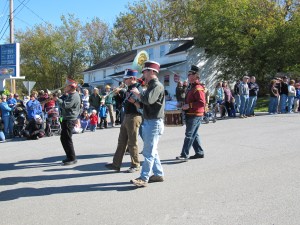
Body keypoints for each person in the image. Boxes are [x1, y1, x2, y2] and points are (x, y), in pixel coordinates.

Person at [130, 60, 165, 187]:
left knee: (148, 152)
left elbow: (148, 100)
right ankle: (158, 174)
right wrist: (136, 102)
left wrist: (139, 94)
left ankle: (143, 178)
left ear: (151, 71)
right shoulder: (151, 85)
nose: (143, 74)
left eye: (145, 71)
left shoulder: (157, 86)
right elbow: (147, 104)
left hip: (154, 122)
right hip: (151, 120)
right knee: (152, 151)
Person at [105, 69, 143, 173]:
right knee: (121, 141)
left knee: (132, 142)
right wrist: (117, 94)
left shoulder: (138, 88)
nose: (124, 80)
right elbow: (122, 102)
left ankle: (135, 164)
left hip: (135, 115)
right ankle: (116, 164)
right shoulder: (128, 88)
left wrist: (135, 100)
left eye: (126, 78)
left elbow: (141, 103)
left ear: (133, 78)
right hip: (127, 115)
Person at [176, 65, 206, 161]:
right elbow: (189, 100)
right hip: (191, 113)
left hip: (195, 114)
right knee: (194, 134)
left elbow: (202, 103)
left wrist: (189, 106)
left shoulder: (198, 87)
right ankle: (199, 152)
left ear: (196, 76)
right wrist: (183, 104)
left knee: (189, 134)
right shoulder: (191, 87)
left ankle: (184, 155)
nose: (188, 76)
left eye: (190, 75)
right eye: (188, 75)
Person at [54, 78, 81, 166]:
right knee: (63, 138)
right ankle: (69, 156)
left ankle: (72, 158)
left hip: (70, 119)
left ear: (71, 87)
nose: (65, 87)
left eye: (66, 86)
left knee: (67, 139)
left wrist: (57, 99)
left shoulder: (74, 96)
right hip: (66, 118)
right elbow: (64, 101)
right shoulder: (69, 95)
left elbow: (66, 105)